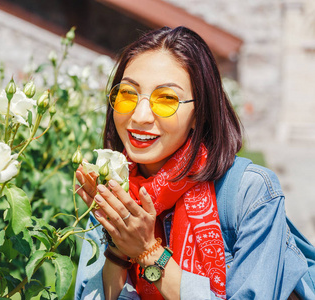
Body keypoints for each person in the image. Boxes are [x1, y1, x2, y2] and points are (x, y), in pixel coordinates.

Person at [74, 26, 311, 299]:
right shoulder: (112, 192)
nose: (139, 116)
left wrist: (148, 252)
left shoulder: (250, 194)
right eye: (128, 94)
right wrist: (117, 244)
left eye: (165, 100)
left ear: (200, 113)